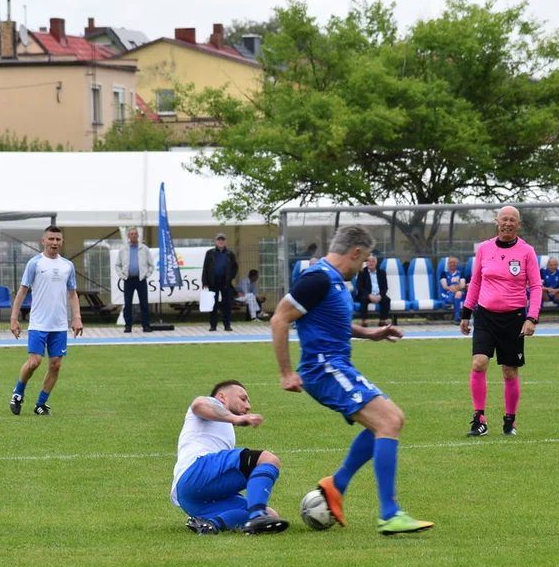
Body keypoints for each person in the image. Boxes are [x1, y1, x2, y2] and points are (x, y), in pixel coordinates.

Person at [271, 225, 434, 535]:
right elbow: (279, 318)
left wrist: (369, 333)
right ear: (355, 252)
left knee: (392, 420)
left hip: (338, 367)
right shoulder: (317, 279)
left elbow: (330, 323)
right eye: (365, 259)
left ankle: (337, 485)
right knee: (388, 422)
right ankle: (390, 513)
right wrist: (286, 372)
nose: (364, 266)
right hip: (324, 369)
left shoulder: (332, 281)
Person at [460, 206, 542, 437]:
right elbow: (475, 282)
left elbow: (535, 286)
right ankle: (479, 419)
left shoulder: (526, 251)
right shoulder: (485, 249)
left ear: (518, 224)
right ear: (497, 222)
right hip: (485, 315)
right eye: (504, 219)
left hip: (514, 318)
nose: (507, 223)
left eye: (512, 220)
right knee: (479, 362)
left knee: (509, 372)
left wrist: (531, 317)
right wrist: (466, 314)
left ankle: (510, 421)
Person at [171, 380, 288, 536]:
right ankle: (257, 517)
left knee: (271, 514)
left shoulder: (222, 427)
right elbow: (199, 404)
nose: (248, 406)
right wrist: (236, 419)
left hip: (190, 498)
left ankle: (211, 524)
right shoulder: (212, 403)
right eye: (243, 398)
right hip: (197, 469)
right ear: (222, 397)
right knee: (268, 460)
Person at [8, 226, 84, 416]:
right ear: (43, 241)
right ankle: (18, 393)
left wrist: (77, 317)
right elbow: (22, 291)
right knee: (34, 362)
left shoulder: (68, 266)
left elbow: (73, 293)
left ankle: (41, 404)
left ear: (62, 242)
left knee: (56, 364)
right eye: (51, 239)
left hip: (59, 325)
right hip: (38, 324)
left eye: (58, 239)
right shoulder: (35, 263)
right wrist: (14, 319)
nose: (54, 243)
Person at [114, 226, 154, 333]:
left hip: (141, 280)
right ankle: (128, 325)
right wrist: (122, 276)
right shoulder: (123, 250)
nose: (134, 236)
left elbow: (151, 264)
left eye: (135, 234)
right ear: (128, 236)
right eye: (131, 234)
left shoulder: (144, 249)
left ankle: (145, 325)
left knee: (144, 303)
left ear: (138, 235)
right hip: (128, 280)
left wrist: (146, 275)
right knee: (127, 303)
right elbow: (117, 265)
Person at [200, 233, 238, 332]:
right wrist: (205, 281)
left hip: (225, 281)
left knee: (227, 304)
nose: (221, 241)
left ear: (225, 241)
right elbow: (206, 267)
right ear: (215, 241)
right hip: (213, 281)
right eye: (219, 240)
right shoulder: (210, 253)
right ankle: (213, 325)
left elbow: (235, 267)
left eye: (223, 240)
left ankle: (227, 325)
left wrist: (231, 277)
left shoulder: (230, 253)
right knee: (213, 304)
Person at [356, 254, 390, 327]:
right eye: (369, 261)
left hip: (378, 294)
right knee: (364, 299)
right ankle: (364, 321)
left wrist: (380, 295)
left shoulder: (382, 273)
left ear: (376, 263)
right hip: (366, 294)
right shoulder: (362, 272)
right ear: (366, 263)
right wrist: (369, 295)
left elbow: (385, 287)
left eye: (373, 261)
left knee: (387, 300)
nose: (371, 263)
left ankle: (382, 321)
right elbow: (360, 287)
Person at [439, 256, 467, 324]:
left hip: (458, 294)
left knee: (458, 293)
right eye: (450, 262)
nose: (452, 264)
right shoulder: (444, 273)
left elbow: (463, 285)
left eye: (454, 262)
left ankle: (449, 302)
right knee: (457, 293)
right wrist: (452, 288)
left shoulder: (461, 273)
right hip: (446, 293)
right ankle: (457, 317)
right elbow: (445, 286)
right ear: (448, 264)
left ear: (457, 263)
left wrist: (455, 288)